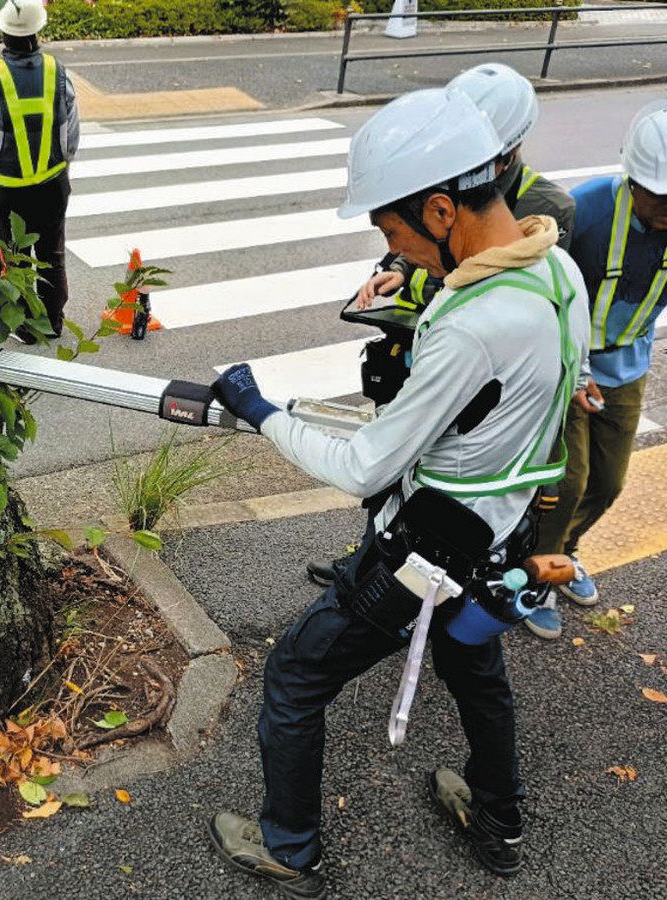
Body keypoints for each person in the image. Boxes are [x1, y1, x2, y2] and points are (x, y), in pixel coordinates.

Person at [206, 87, 590, 899]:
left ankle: (290, 848)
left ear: (443, 210)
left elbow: (364, 466)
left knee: (296, 677)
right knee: (475, 669)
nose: (398, 252)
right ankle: (499, 819)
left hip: (427, 551)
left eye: (393, 233)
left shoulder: (473, 320)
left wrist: (261, 410)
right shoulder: (557, 270)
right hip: (503, 532)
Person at [305, 62, 576, 588]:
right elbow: (421, 239)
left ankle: (390, 573)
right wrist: (397, 270)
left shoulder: (538, 220)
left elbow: (363, 466)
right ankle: (372, 559)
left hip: (471, 375)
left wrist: (264, 414)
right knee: (398, 458)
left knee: (411, 461)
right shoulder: (467, 207)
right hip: (432, 341)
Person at [524, 99, 667, 640]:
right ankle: (536, 575)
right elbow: (545, 289)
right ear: (635, 180)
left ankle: (563, 552)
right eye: (660, 196)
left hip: (627, 366)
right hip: (567, 365)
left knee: (608, 483)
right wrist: (573, 369)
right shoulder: (585, 209)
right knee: (568, 480)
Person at [0, 0, 80, 342]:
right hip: (52, 184)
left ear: (2, 31)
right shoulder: (58, 72)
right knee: (52, 253)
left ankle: (24, 326)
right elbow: (71, 133)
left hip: (7, 188)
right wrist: (61, 168)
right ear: (38, 30)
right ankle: (53, 321)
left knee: (15, 257)